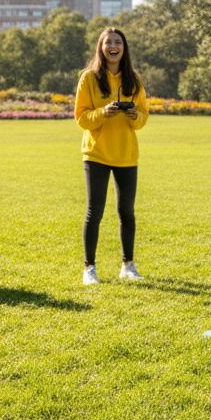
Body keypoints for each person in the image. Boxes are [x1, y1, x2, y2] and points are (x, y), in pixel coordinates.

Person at [74, 27, 150, 285]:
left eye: (118, 42)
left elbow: (143, 117)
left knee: (126, 212)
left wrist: (134, 116)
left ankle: (128, 266)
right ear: (101, 47)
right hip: (96, 154)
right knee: (94, 211)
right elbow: (81, 118)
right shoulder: (88, 78)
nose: (113, 46)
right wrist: (103, 113)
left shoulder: (134, 80)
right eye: (109, 42)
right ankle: (89, 268)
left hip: (126, 154)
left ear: (124, 48)